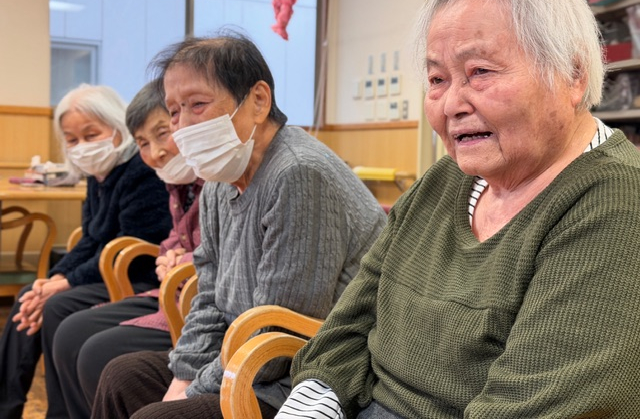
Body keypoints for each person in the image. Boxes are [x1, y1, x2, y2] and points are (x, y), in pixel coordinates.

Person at [276, 0, 640, 419]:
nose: (451, 104)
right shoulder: (446, 180)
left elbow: (534, 407)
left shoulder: (616, 203)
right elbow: (348, 325)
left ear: (572, 74)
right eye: (437, 79)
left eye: (480, 72)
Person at [91, 32, 388, 419]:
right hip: (242, 357)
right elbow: (209, 295)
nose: (182, 127)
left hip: (303, 377)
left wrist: (193, 391)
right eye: (175, 111)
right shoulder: (219, 179)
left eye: (198, 105)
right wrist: (182, 378)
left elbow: (280, 337)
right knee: (122, 377)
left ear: (258, 101)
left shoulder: (299, 172)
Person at [0, 84, 173, 419]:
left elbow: (129, 244)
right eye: (72, 139)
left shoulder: (142, 169)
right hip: (106, 269)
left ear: (117, 127)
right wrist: (53, 279)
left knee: (55, 305)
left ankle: (60, 413)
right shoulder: (98, 174)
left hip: (135, 276)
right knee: (30, 297)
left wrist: (64, 284)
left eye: (91, 135)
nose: (81, 146)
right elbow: (91, 239)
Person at [50, 80, 204, 418]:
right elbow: (168, 238)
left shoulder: (198, 176)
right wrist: (56, 277)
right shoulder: (174, 183)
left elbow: (215, 252)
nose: (156, 152)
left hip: (179, 295)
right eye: (144, 142)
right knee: (64, 326)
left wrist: (178, 260)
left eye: (163, 134)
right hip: (171, 291)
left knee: (87, 343)